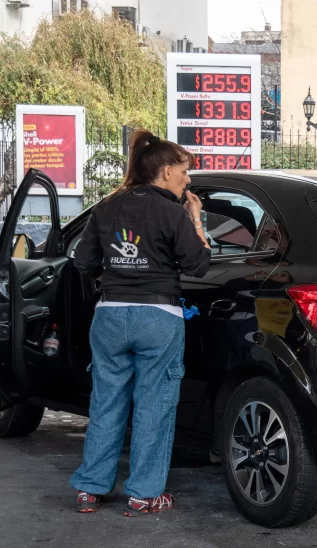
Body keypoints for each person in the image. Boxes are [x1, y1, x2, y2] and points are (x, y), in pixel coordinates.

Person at [70, 131, 211, 515]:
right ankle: (144, 494)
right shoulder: (172, 211)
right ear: (165, 172)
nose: (188, 179)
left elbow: (83, 263)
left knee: (106, 403)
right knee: (154, 405)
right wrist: (197, 221)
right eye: (185, 172)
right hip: (158, 318)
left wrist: (117, 276)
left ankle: (90, 489)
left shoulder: (106, 207)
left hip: (110, 316)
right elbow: (198, 264)